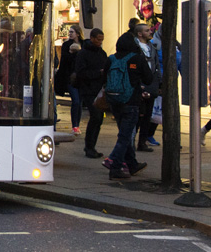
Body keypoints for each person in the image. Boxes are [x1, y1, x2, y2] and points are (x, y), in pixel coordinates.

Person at [105, 30, 152, 180]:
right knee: (125, 136)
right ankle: (115, 166)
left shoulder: (111, 59)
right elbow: (149, 78)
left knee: (124, 133)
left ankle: (132, 164)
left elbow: (104, 77)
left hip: (114, 101)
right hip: (131, 101)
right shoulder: (137, 59)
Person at [74, 28, 109, 158]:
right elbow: (81, 73)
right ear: (92, 38)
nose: (100, 42)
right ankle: (89, 146)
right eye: (98, 40)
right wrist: (97, 73)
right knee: (96, 117)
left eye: (101, 40)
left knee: (98, 119)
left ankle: (91, 146)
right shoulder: (83, 54)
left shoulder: (102, 53)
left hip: (99, 89)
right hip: (88, 90)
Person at [135, 23, 162, 152]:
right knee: (137, 116)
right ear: (140, 34)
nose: (150, 32)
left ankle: (142, 142)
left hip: (151, 85)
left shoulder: (152, 47)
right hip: (139, 85)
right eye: (147, 30)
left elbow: (156, 66)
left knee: (147, 116)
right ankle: (131, 141)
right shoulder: (135, 47)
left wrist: (158, 84)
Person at [55, 26, 84, 134]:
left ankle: (77, 124)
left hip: (81, 77)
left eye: (72, 32)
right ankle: (75, 125)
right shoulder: (66, 45)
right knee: (76, 101)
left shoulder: (84, 44)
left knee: (79, 102)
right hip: (70, 78)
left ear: (77, 33)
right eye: (69, 32)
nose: (70, 34)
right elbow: (64, 61)